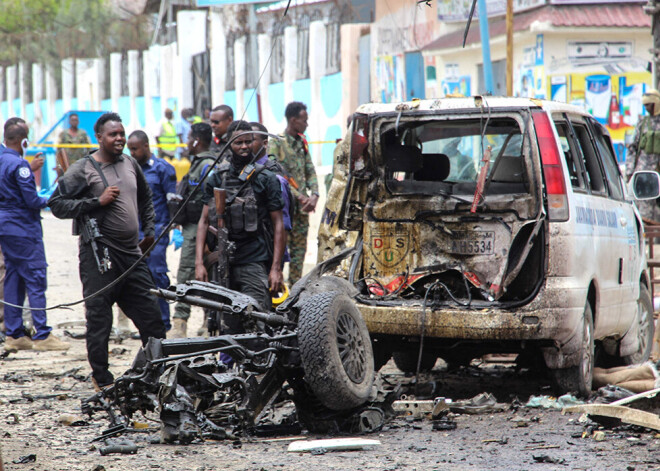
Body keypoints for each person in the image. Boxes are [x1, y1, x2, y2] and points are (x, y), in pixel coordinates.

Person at [48, 112, 165, 389]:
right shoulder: (83, 168)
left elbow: (146, 197)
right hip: (99, 257)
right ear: (99, 137)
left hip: (131, 256)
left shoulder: (130, 163)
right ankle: (102, 379)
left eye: (122, 134)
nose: (120, 139)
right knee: (100, 321)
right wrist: (95, 201)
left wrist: (149, 232)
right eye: (113, 134)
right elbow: (57, 204)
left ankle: (155, 374)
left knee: (152, 320)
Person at [195, 120, 285, 330]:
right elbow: (204, 221)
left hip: (254, 260)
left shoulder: (266, 178)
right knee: (226, 324)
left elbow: (278, 224)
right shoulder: (216, 177)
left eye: (248, 141)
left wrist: (276, 268)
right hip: (222, 263)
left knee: (258, 320)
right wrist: (199, 263)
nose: (244, 146)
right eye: (238, 142)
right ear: (228, 144)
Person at [0, 119, 70, 352]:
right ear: (24, 140)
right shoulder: (19, 165)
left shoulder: (3, 160)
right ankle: (42, 334)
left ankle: (14, 334)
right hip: (23, 228)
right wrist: (54, 195)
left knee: (14, 277)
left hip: (6, 227)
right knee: (35, 276)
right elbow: (32, 201)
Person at [170, 122, 217, 338]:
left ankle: (190, 322)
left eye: (190, 138)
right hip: (191, 225)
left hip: (200, 228)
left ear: (197, 140)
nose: (187, 142)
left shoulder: (208, 164)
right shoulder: (198, 162)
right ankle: (183, 323)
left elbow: (212, 200)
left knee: (189, 273)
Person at [126, 130, 177, 331]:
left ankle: (163, 323)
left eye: (135, 149)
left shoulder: (163, 169)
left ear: (146, 146)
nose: (132, 153)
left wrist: (172, 227)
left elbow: (172, 201)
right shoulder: (129, 169)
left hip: (157, 232)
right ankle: (147, 325)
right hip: (133, 231)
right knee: (139, 279)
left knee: (157, 275)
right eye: (129, 149)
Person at [268, 101, 319, 285]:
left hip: (302, 209)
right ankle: (277, 292)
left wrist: (315, 194)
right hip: (284, 208)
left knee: (299, 253)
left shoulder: (301, 142)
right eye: (304, 120)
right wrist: (299, 195)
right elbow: (276, 175)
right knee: (280, 252)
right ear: (293, 119)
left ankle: (295, 291)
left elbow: (310, 169)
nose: (306, 124)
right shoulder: (277, 142)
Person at [625, 89, 660, 222]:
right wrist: (629, 171)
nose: (647, 108)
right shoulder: (643, 123)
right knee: (644, 214)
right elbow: (633, 148)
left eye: (649, 105)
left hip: (657, 172)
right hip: (644, 173)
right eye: (645, 105)